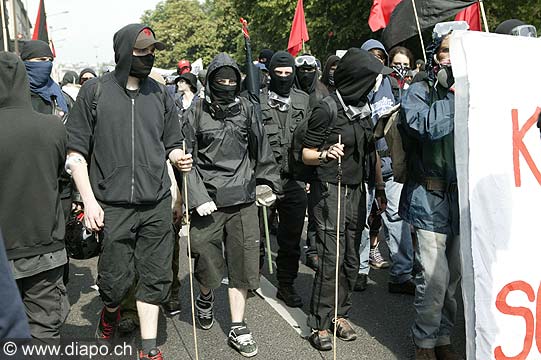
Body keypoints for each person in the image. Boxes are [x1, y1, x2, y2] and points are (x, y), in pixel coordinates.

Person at [66, 24, 192, 360]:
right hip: (113, 204)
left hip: (155, 203)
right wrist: (88, 201)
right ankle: (110, 312)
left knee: (155, 277)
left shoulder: (160, 94)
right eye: (141, 51)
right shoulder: (95, 92)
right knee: (115, 281)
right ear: (123, 52)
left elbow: (171, 142)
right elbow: (75, 153)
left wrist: (178, 158)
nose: (148, 57)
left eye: (152, 51)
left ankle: (149, 349)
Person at [184, 52, 281, 358]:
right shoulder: (195, 111)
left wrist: (266, 184)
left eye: (231, 79)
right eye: (220, 79)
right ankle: (205, 294)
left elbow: (261, 149)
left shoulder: (248, 109)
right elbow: (184, 159)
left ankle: (238, 325)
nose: (226, 84)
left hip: (243, 200)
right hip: (208, 202)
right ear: (210, 81)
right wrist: (197, 197)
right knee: (204, 255)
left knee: (243, 263)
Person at [302, 48, 391, 351]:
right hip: (329, 189)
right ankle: (318, 323)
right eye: (373, 80)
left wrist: (378, 188)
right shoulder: (326, 109)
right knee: (331, 257)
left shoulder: (364, 107)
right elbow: (305, 153)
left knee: (352, 258)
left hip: (357, 190)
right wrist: (326, 153)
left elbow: (370, 151)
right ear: (357, 80)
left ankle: (340, 314)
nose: (376, 86)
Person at [399, 21, 467, 360]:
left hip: (463, 200)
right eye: (446, 51)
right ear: (434, 54)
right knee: (434, 278)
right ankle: (424, 343)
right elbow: (423, 126)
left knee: (453, 279)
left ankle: (443, 338)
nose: (452, 58)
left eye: (460, 51)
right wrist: (455, 95)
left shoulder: (478, 87)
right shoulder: (418, 90)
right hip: (429, 197)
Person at [0, 51, 69, 339]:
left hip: (6, 247)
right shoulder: (52, 126)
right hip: (44, 246)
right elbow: (62, 178)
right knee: (44, 330)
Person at [356, 39, 415, 295]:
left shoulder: (392, 85)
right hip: (362, 166)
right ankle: (359, 271)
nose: (377, 60)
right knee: (362, 220)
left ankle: (401, 275)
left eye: (381, 56)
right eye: (372, 55)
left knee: (396, 218)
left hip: (390, 165)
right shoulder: (355, 86)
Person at [257, 51, 310, 308]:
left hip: (294, 180)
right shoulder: (256, 101)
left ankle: (286, 285)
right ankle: (250, 278)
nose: (284, 78)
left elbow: (312, 136)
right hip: (264, 180)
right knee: (257, 234)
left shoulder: (303, 100)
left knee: (290, 238)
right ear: (270, 73)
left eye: (288, 73)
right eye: (279, 74)